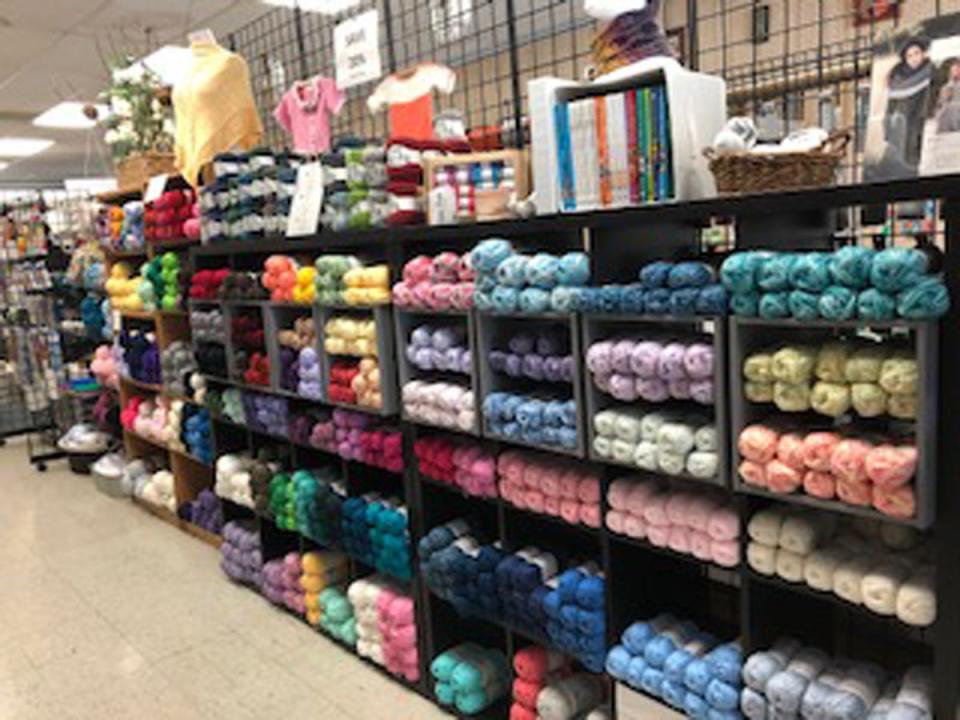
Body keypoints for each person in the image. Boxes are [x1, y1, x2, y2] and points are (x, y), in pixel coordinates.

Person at [877, 36, 934, 177]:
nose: (914, 58)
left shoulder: (931, 71)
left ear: (923, 53)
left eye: (917, 53)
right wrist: (887, 127)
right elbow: (890, 107)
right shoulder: (897, 78)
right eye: (910, 55)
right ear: (905, 59)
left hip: (922, 122)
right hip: (901, 127)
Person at [935, 59, 960, 133]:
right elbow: (941, 103)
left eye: (957, 70)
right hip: (950, 115)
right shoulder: (946, 87)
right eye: (953, 70)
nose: (955, 72)